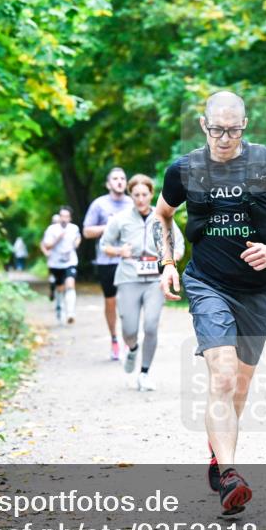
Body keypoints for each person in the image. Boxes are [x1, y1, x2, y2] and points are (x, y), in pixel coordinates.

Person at [154, 91, 266, 516]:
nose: (224, 137)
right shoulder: (184, 169)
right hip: (207, 284)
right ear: (204, 125)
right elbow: (162, 215)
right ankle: (230, 476)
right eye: (217, 129)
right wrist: (167, 262)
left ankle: (218, 457)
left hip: (257, 292)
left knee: (239, 387)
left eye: (233, 129)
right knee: (221, 377)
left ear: (245, 125)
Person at [99, 174, 185, 392]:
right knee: (128, 328)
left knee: (151, 326)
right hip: (129, 277)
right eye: (136, 195)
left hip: (155, 280)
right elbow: (104, 245)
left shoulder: (163, 217)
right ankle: (133, 348)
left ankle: (144, 373)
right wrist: (119, 251)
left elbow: (180, 245)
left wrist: (170, 258)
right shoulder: (120, 218)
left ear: (151, 194)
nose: (140, 199)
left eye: (144, 194)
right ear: (131, 195)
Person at [83, 167, 133, 360]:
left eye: (122, 178)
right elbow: (87, 232)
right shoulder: (99, 205)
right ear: (108, 184)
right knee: (111, 302)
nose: (119, 181)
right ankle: (114, 339)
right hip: (107, 260)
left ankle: (130, 340)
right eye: (115, 178)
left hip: (130, 259)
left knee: (130, 301)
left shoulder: (132, 202)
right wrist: (109, 226)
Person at [42, 206, 81, 324]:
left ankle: (70, 313)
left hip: (70, 262)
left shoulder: (74, 228)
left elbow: (78, 238)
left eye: (66, 216)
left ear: (70, 218)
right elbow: (47, 246)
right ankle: (60, 309)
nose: (64, 219)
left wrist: (76, 244)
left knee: (70, 285)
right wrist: (57, 239)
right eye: (62, 216)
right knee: (59, 288)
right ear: (59, 217)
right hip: (55, 263)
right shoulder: (51, 229)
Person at [39, 214, 60, 301]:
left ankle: (59, 296)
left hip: (64, 259)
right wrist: (46, 252)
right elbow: (42, 243)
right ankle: (52, 290)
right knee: (52, 276)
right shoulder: (49, 231)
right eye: (54, 221)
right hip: (52, 258)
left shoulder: (66, 229)